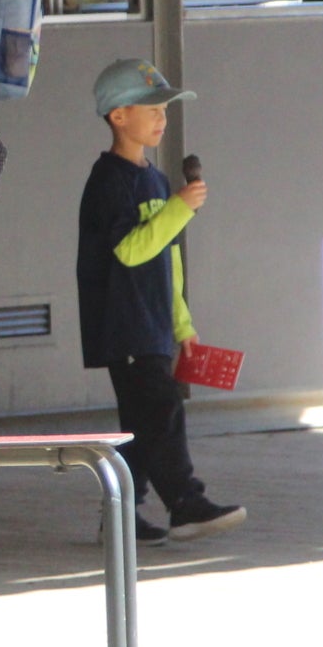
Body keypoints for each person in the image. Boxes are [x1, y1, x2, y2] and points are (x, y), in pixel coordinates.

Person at [77, 60, 247, 545]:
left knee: (141, 423)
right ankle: (185, 504)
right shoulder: (108, 181)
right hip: (123, 323)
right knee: (161, 409)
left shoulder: (154, 179)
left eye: (165, 109)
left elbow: (167, 262)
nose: (162, 118)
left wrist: (182, 324)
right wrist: (178, 208)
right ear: (117, 116)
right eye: (151, 108)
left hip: (150, 324)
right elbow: (131, 250)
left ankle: (121, 516)